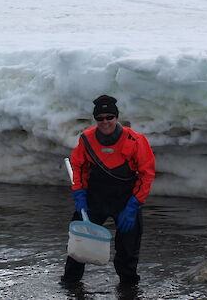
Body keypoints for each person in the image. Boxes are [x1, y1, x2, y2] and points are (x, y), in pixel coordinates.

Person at [62, 94, 156, 286]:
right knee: (78, 244)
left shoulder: (135, 140)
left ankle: (128, 288)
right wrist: (79, 193)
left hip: (126, 200)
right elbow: (78, 166)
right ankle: (70, 284)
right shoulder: (87, 139)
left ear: (116, 117)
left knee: (128, 250)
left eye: (109, 117)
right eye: (100, 118)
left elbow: (147, 174)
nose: (105, 122)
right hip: (94, 197)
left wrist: (134, 205)